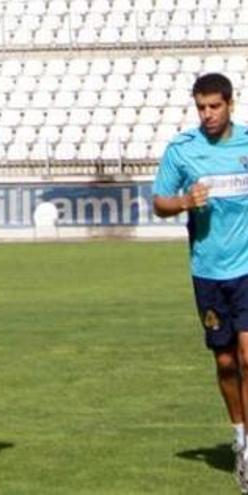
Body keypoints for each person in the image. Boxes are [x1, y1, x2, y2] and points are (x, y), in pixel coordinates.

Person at [152, 73, 248, 490]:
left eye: (215, 106)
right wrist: (183, 202)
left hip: (247, 269)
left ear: (230, 104)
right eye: (201, 107)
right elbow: (159, 202)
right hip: (207, 272)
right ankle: (239, 434)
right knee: (226, 361)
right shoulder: (182, 150)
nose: (208, 115)